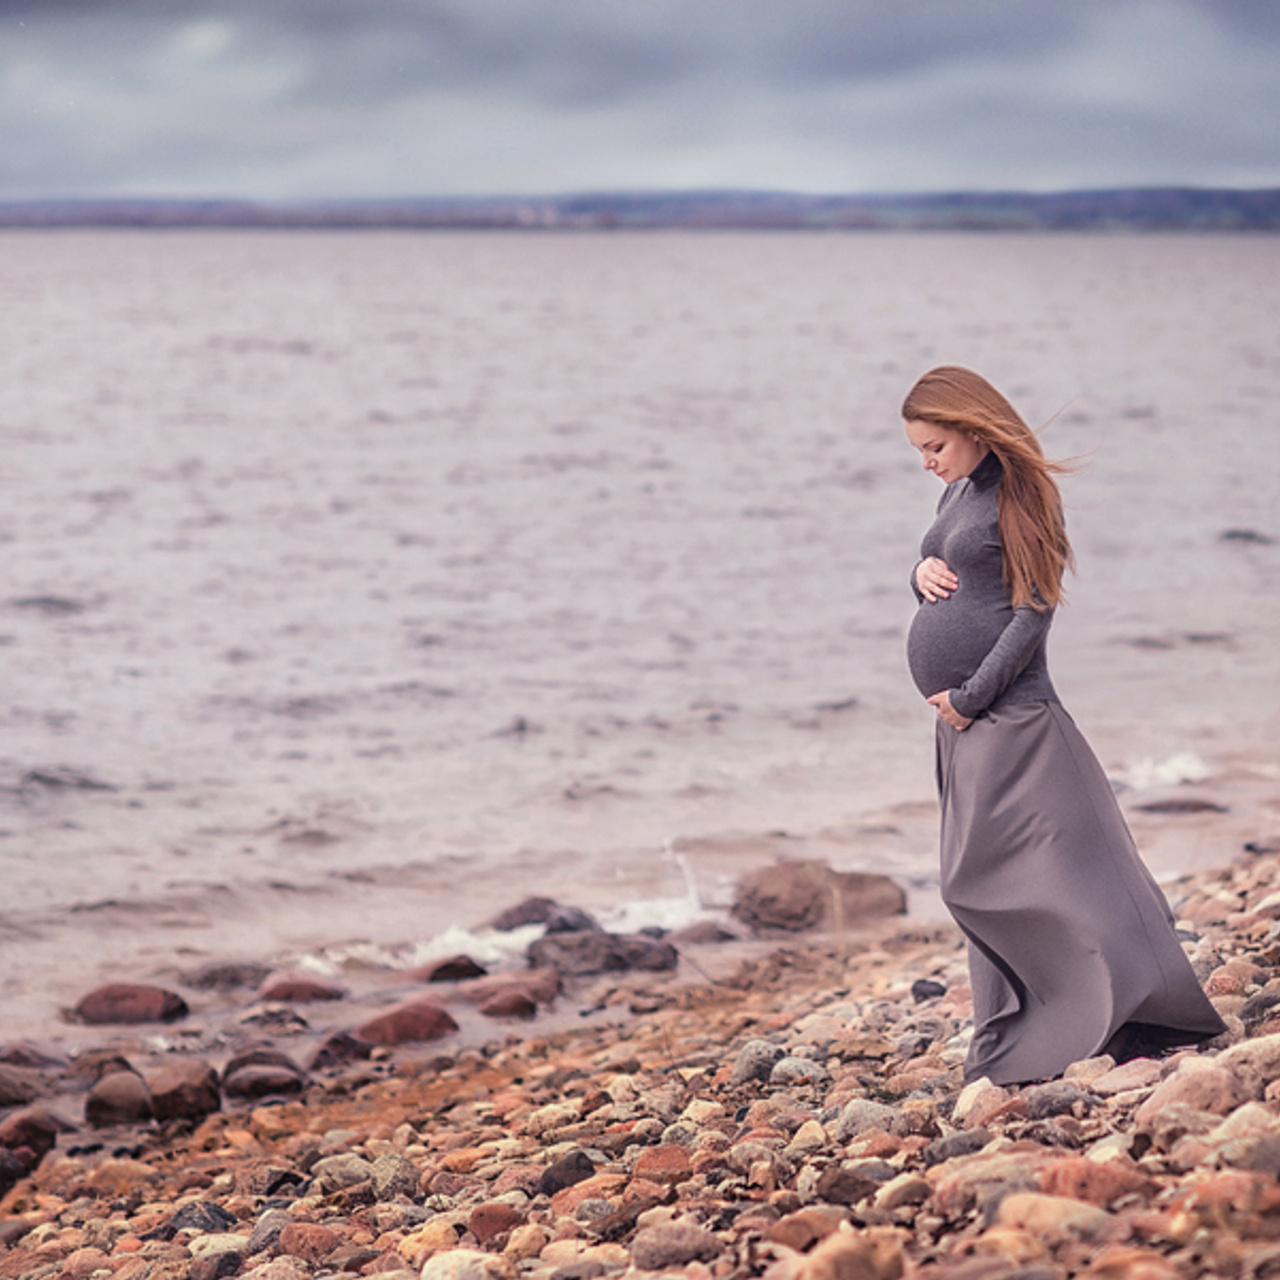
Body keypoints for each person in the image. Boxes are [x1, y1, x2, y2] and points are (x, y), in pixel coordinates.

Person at [902, 365, 1224, 1086]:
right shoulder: (960, 489)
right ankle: (1021, 1032)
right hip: (966, 725)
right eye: (919, 451)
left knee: (1005, 879)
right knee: (989, 879)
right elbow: (959, 569)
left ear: (975, 429)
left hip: (1012, 718)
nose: (926, 463)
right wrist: (918, 570)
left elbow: (1033, 610)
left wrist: (973, 695)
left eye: (934, 447)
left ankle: (1131, 1012)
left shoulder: (1023, 495)